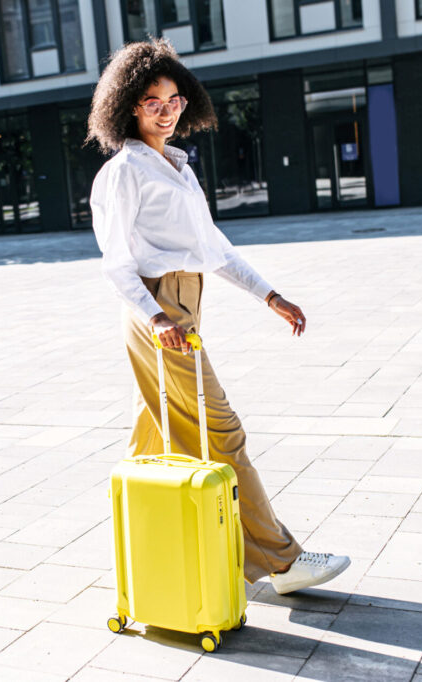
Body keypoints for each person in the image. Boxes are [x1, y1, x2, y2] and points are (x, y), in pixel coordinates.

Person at [87, 38, 350, 595]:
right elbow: (115, 264)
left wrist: (269, 296)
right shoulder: (123, 172)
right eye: (153, 101)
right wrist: (157, 318)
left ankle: (159, 564)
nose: (167, 110)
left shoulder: (176, 165)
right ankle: (281, 563)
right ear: (129, 105)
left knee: (155, 439)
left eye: (175, 99)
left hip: (183, 302)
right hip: (159, 309)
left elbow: (214, 247)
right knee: (221, 431)